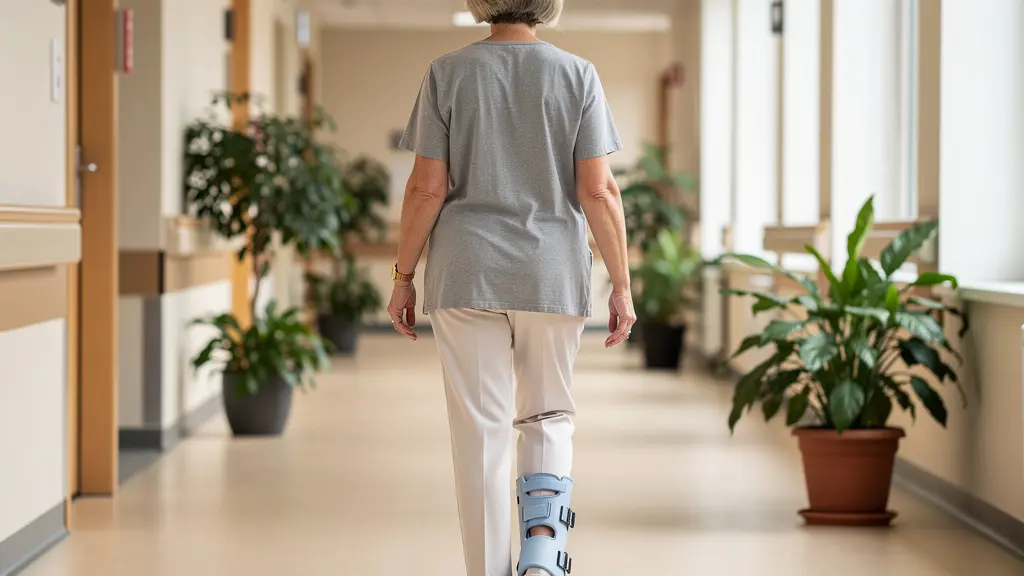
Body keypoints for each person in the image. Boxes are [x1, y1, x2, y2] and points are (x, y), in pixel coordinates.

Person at [387, 1, 634, 574]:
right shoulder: (577, 74)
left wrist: (403, 277)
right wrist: (620, 285)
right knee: (548, 416)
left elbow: (426, 188)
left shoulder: (447, 72)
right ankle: (544, 556)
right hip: (551, 270)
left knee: (481, 435)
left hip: (467, 272)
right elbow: (599, 191)